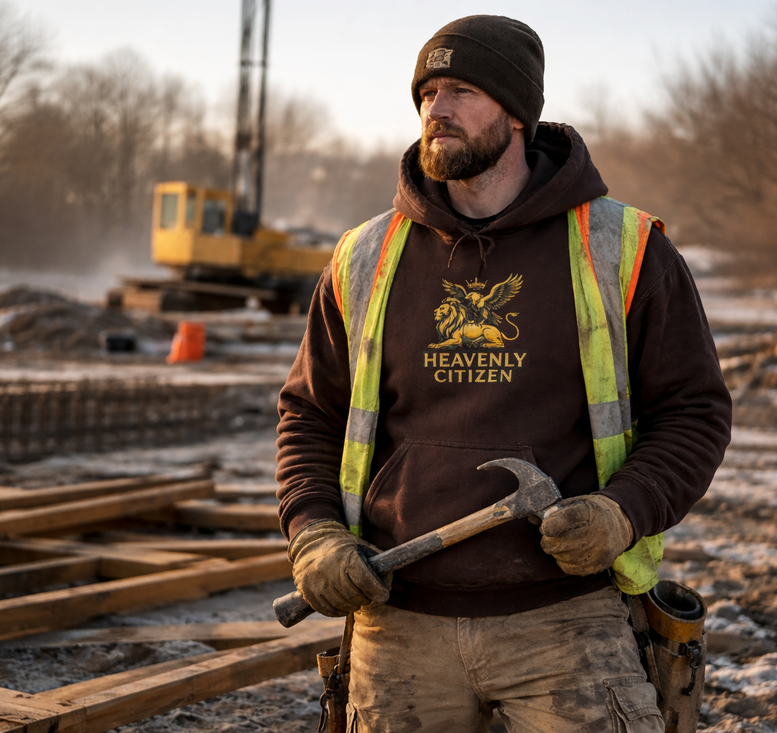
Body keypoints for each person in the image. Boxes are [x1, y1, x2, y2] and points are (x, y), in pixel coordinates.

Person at [276, 14, 732, 733]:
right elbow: (309, 413)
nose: (437, 109)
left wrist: (624, 510)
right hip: (399, 624)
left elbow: (695, 411)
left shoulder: (624, 247)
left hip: (567, 619)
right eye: (427, 92)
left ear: (518, 112)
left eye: (461, 89)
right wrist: (313, 533)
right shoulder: (364, 256)